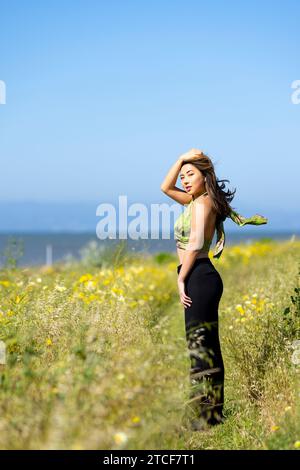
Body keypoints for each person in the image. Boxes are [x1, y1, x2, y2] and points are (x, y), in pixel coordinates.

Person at [160, 148, 268, 431]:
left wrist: (181, 278)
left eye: (190, 174)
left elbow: (195, 244)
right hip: (197, 275)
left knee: (200, 347)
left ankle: (202, 417)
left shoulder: (204, 203)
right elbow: (164, 186)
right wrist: (183, 159)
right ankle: (210, 415)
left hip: (198, 276)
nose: (184, 180)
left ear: (204, 176)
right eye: (183, 176)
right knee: (204, 347)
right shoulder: (194, 201)